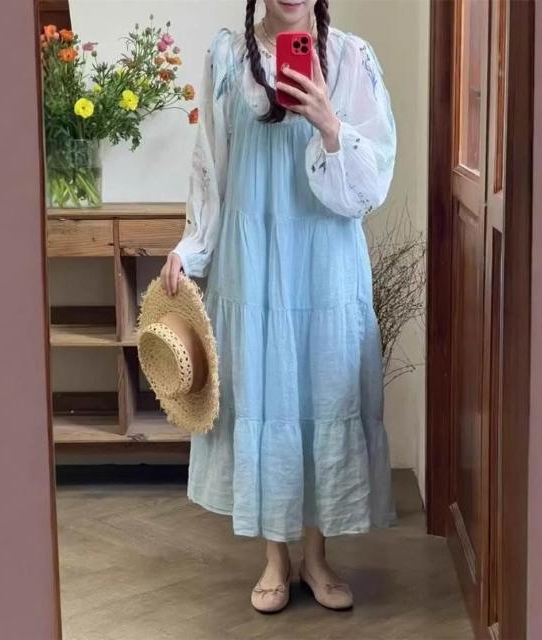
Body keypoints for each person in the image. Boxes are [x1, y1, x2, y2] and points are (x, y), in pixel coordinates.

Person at [160, 0, 398, 614]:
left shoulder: (350, 57)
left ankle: (316, 557)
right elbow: (210, 165)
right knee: (264, 394)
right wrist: (191, 248)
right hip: (254, 261)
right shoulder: (227, 56)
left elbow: (373, 181)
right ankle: (274, 557)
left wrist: (329, 124)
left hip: (324, 261)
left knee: (322, 394)